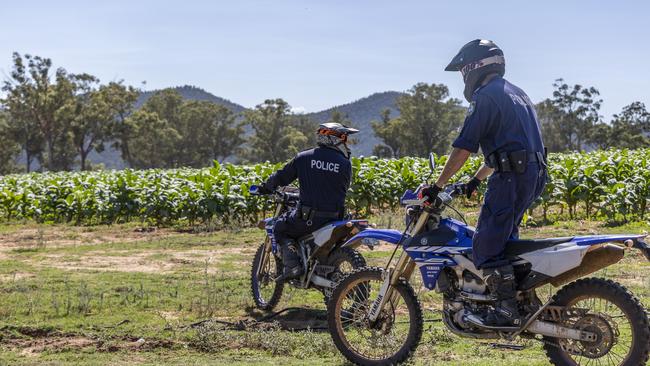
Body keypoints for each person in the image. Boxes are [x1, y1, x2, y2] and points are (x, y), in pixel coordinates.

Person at [421, 39, 547, 326]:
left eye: (463, 70)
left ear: (474, 67)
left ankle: (505, 312)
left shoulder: (486, 96)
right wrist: (474, 181)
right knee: (505, 242)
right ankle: (519, 301)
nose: (463, 77)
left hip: (511, 177)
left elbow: (463, 148)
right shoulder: (517, 94)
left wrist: (438, 186)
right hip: (531, 173)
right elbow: (507, 148)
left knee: (486, 247)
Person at [258, 122, 359, 282]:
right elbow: (341, 188)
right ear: (332, 139)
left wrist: (264, 187)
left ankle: (293, 266)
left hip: (309, 220)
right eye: (344, 138)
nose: (347, 143)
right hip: (336, 219)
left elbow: (281, 177)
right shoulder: (345, 164)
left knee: (279, 227)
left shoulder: (304, 158)